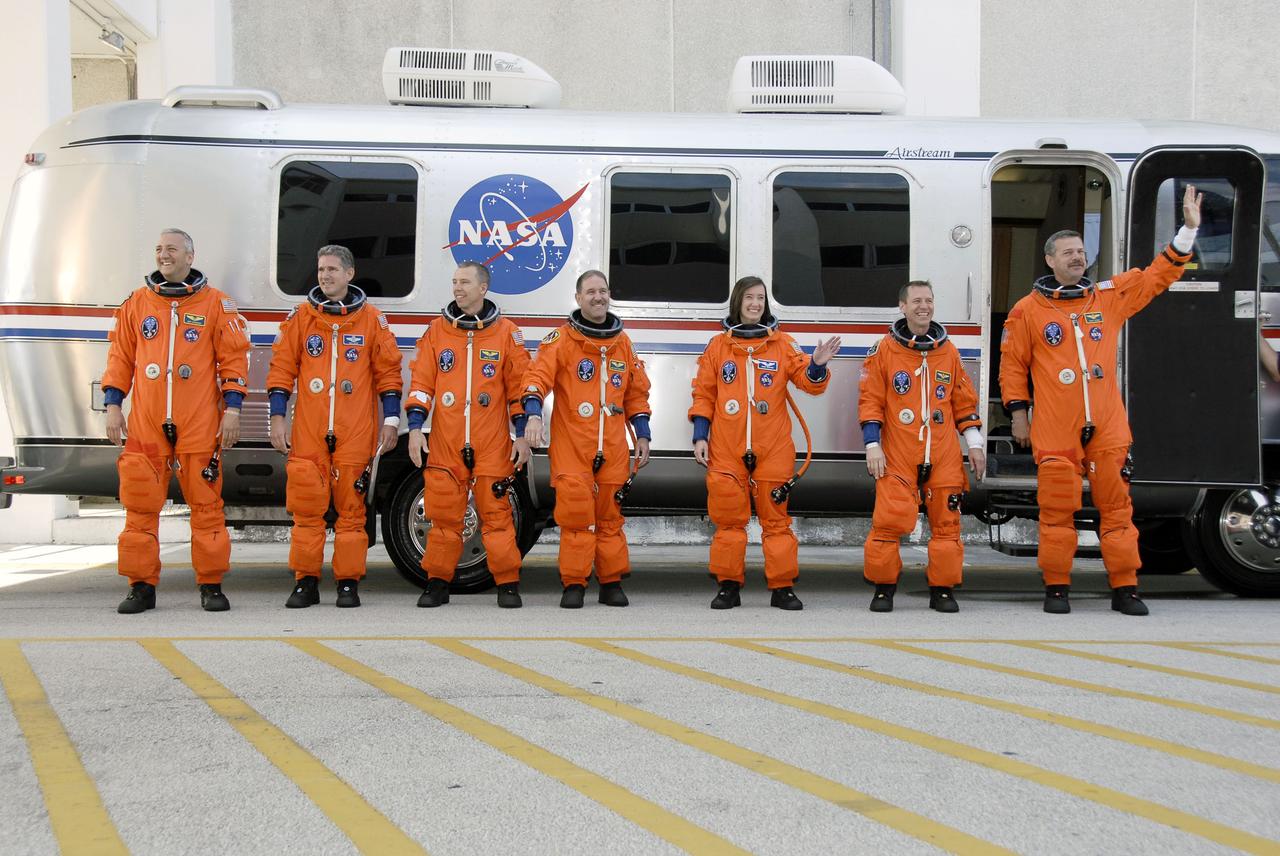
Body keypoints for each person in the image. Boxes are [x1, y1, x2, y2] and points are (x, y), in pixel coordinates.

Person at [1000, 185, 1202, 616]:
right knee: (1056, 511)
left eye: (1080, 251)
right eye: (1067, 252)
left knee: (1117, 509)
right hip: (1055, 424)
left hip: (1107, 423)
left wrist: (1186, 230)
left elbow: (1156, 276)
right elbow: (1012, 366)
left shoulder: (1108, 298)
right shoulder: (1027, 311)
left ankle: (1125, 588)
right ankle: (1056, 587)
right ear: (1049, 260)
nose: (1076, 257)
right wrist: (1018, 414)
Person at [102, 228, 250, 614]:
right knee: (140, 505)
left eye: (171, 249)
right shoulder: (137, 304)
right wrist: (113, 405)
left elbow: (233, 362)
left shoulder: (216, 304)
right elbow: (120, 358)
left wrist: (232, 410)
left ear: (189, 255)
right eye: (158, 249)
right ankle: (141, 587)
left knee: (206, 505)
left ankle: (211, 585)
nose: (163, 255)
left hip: (199, 420)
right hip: (147, 422)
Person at [689, 275, 839, 610]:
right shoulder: (718, 346)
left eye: (761, 298)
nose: (755, 304)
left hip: (773, 447)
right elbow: (704, 393)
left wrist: (816, 365)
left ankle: (782, 587)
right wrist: (701, 434)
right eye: (749, 298)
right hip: (726, 448)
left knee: (776, 521)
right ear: (738, 302)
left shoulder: (783, 344)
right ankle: (728, 586)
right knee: (728, 520)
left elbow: (807, 381)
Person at [267, 245, 402, 608]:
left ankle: (347, 582)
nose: (324, 275)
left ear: (349, 274)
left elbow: (388, 374)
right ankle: (306, 582)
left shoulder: (372, 320)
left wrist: (391, 422)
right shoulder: (302, 317)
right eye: (320, 269)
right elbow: (281, 370)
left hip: (355, 429)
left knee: (352, 512)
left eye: (331, 269)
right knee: (307, 510)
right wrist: (277, 417)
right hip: (310, 429)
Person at [522, 270, 652, 608]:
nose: (598, 297)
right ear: (578, 298)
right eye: (591, 291)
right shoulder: (562, 340)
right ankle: (574, 584)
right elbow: (536, 379)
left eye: (603, 291)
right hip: (572, 447)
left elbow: (637, 394)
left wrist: (643, 435)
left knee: (609, 519)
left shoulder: (623, 343)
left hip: (611, 446)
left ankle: (610, 583)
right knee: (577, 517)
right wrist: (533, 415)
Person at [406, 262, 532, 608]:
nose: (457, 288)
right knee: (444, 515)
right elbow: (421, 384)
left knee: (496, 515)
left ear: (483, 288)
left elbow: (518, 391)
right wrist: (415, 428)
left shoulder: (507, 333)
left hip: (491, 442)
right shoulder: (437, 331)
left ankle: (507, 582)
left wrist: (521, 436)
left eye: (464, 282)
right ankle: (437, 582)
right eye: (454, 282)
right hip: (446, 440)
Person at [859, 281, 985, 613]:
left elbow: (963, 401)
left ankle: (942, 590)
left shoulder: (948, 351)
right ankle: (884, 588)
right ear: (902, 306)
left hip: (942, 452)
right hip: (898, 451)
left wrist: (974, 443)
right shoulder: (884, 351)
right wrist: (872, 445)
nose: (923, 306)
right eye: (916, 301)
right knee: (888, 522)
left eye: (928, 300)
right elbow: (870, 401)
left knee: (947, 524)